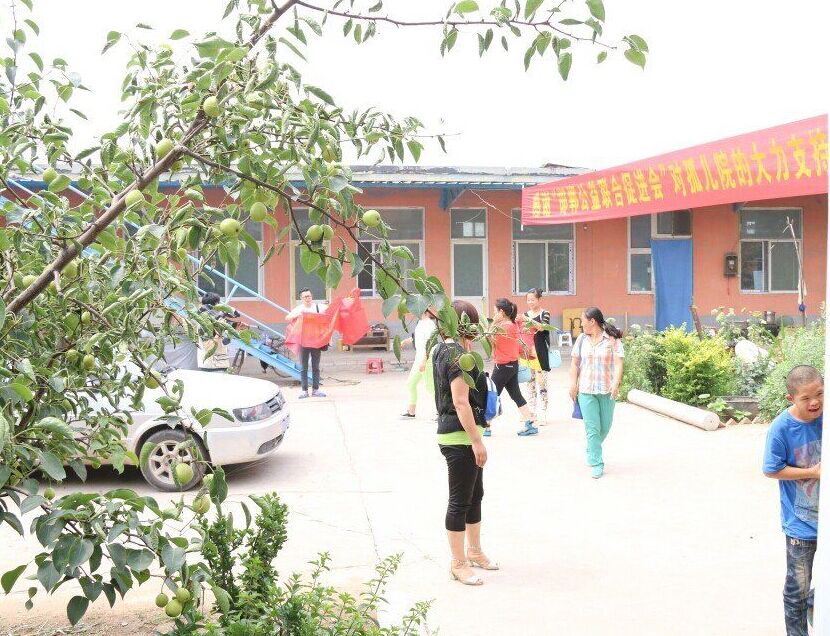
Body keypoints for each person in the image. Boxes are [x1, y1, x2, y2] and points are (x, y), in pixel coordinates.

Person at [433, 300, 498, 586]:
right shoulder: (457, 356)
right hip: (460, 437)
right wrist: (476, 441)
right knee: (460, 500)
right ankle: (458, 563)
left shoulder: (441, 350)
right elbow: (460, 401)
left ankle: (474, 551)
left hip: (459, 433)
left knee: (475, 495)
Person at [762, 365, 822, 636]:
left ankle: (815, 601)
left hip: (826, 518)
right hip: (800, 524)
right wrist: (813, 472)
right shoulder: (781, 428)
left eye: (820, 394)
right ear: (791, 398)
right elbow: (771, 469)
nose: (815, 402)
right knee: (797, 589)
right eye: (806, 398)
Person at [569, 307, 624, 479]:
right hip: (586, 390)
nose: (581, 324)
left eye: (582, 320)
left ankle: (592, 448)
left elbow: (618, 364)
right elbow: (574, 363)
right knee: (592, 428)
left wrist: (616, 383)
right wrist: (572, 384)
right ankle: (597, 462)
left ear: (592, 321)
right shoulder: (581, 339)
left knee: (605, 426)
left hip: (607, 390)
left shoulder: (612, 340)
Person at [491, 298, 536, 437]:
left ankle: (485, 426)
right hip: (512, 365)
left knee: (491, 394)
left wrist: (493, 323)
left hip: (503, 366)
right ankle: (529, 424)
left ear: (501, 312)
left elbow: (490, 339)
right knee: (516, 395)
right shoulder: (513, 324)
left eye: (495, 311)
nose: (494, 313)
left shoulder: (504, 327)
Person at [286, 288, 328, 399]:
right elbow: (287, 317)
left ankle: (315, 390)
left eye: (309, 296)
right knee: (303, 367)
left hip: (316, 342)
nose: (307, 298)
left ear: (311, 296)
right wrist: (298, 315)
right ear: (301, 298)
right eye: (305, 297)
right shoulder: (299, 309)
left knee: (316, 367)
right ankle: (304, 391)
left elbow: (331, 311)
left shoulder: (319, 307)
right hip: (303, 342)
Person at [402, 310, 437, 418]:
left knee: (431, 387)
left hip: (427, 359)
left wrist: (424, 361)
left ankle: (440, 413)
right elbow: (418, 338)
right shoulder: (420, 322)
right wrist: (405, 341)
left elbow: (430, 344)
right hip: (419, 358)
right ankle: (411, 411)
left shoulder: (429, 324)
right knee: (411, 383)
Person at [524, 288, 551, 424]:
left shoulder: (545, 313)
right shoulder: (525, 315)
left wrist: (527, 320)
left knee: (542, 384)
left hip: (541, 354)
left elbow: (542, 327)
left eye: (533, 300)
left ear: (539, 299)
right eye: (528, 300)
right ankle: (532, 412)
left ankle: (543, 413)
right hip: (529, 355)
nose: (530, 302)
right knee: (530, 384)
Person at [196, 292, 233, 373]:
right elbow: (208, 345)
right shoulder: (204, 323)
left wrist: (232, 331)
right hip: (212, 365)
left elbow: (225, 341)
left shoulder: (217, 320)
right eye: (217, 304)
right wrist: (220, 329)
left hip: (219, 363)